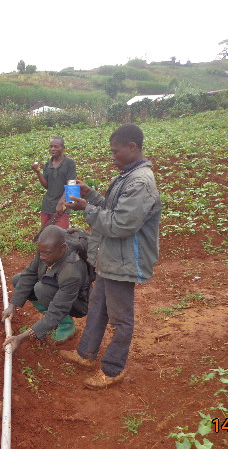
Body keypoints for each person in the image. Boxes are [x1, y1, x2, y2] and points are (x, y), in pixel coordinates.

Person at [60, 123, 161, 390]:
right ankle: (86, 354)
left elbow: (120, 224)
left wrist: (86, 209)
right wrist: (91, 196)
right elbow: (111, 208)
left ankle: (113, 369)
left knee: (120, 318)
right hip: (111, 256)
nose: (112, 157)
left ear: (132, 147)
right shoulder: (126, 176)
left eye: (116, 152)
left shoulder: (140, 182)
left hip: (124, 260)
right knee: (98, 307)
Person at [2, 225, 89, 351]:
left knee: (41, 289)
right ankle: (50, 322)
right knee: (18, 279)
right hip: (57, 286)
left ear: (62, 248)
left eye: (46, 253)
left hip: (77, 303)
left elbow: (58, 309)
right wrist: (12, 304)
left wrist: (20, 338)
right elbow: (30, 273)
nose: (42, 257)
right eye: (40, 252)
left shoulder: (71, 271)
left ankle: (66, 325)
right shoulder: (46, 250)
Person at [31, 136, 76, 229]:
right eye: (51, 146)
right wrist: (38, 172)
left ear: (63, 148)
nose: (53, 149)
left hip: (62, 208)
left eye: (56, 146)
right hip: (47, 205)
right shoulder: (48, 165)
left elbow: (72, 186)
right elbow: (46, 186)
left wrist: (61, 203)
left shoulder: (70, 163)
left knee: (60, 234)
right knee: (46, 234)